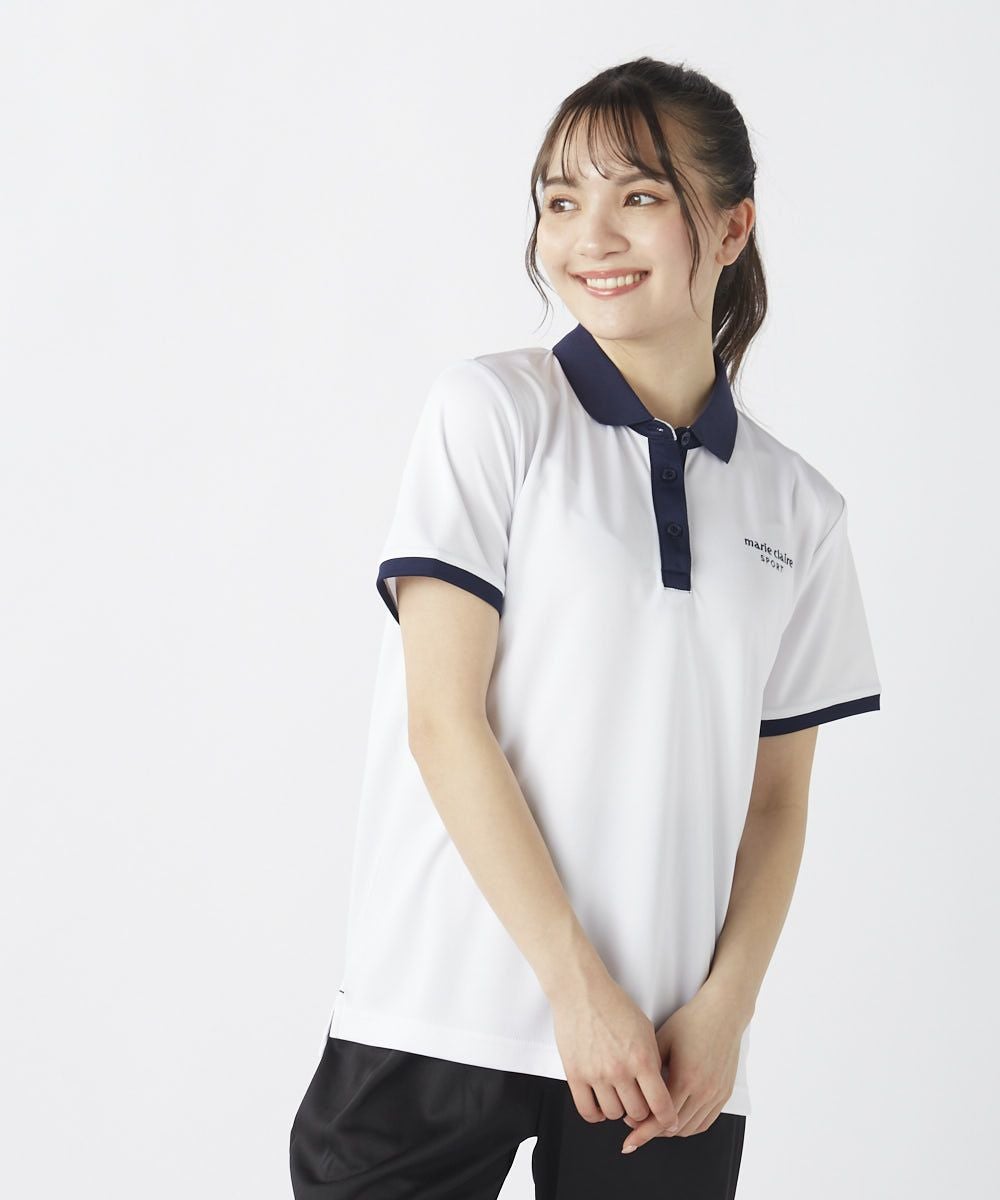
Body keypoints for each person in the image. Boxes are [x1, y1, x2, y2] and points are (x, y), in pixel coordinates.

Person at [289, 55, 881, 1199]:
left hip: (669, 1058)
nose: (588, 236)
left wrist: (726, 1009)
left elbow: (776, 801)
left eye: (638, 196)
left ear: (732, 226)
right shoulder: (492, 412)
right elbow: (442, 719)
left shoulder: (798, 508)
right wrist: (574, 988)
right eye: (560, 201)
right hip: (439, 1011)